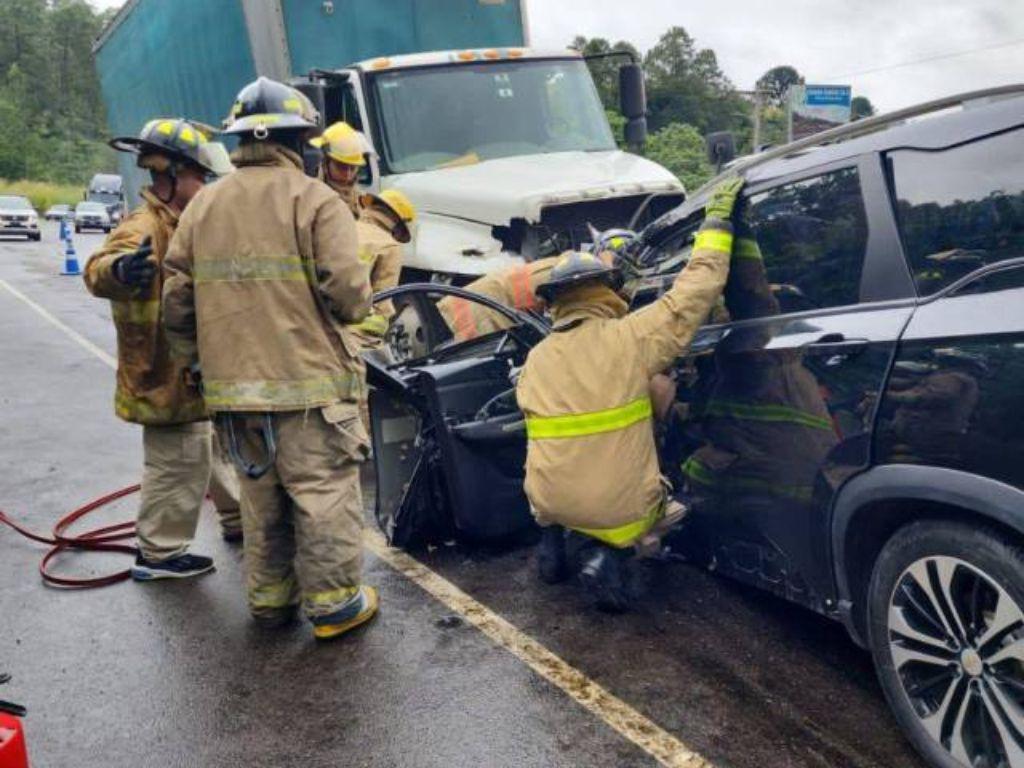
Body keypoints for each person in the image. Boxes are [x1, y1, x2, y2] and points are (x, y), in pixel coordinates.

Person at [161, 77, 377, 640]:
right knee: (323, 493)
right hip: (309, 387)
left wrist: (199, 362)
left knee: (262, 500)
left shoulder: (203, 204)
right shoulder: (314, 199)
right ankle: (334, 606)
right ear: (299, 139)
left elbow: (177, 302)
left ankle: (269, 600)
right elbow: (349, 296)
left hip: (235, 394)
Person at [514, 177, 744, 611]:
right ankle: (612, 558)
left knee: (554, 469)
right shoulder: (631, 338)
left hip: (547, 502)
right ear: (606, 289)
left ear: (557, 302)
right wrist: (717, 221)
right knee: (671, 506)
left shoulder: (536, 360)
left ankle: (553, 548)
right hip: (616, 507)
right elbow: (695, 291)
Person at [83, 118, 242, 581]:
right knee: (179, 461)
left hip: (186, 372)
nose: (204, 186)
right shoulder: (145, 224)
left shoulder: (182, 222)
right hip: (160, 374)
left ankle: (236, 521)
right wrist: (118, 271)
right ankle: (160, 552)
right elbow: (97, 268)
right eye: (199, 177)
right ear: (170, 176)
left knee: (212, 448)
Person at [309, 120, 369, 216]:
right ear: (326, 164)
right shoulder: (312, 199)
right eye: (342, 167)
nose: (348, 175)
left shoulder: (360, 200)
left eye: (353, 168)